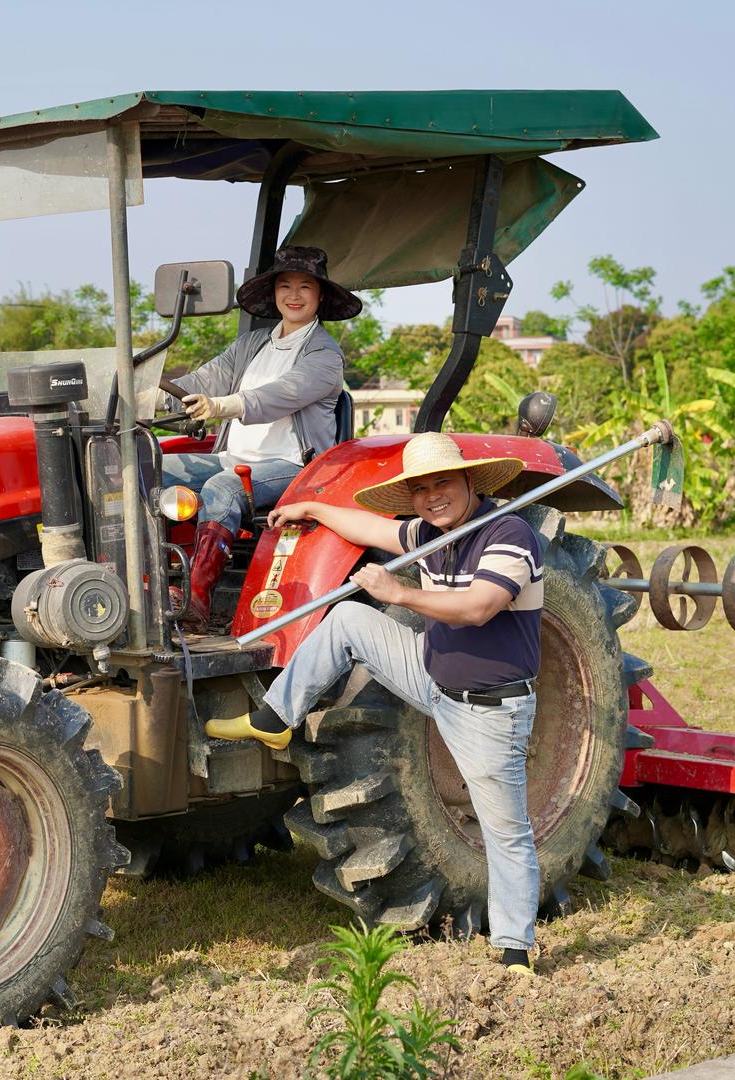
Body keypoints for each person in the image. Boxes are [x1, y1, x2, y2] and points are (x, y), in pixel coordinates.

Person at [206, 432, 544, 974]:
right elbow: (373, 529)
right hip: (431, 677)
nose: (432, 496)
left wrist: (399, 592)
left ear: (469, 481)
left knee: (504, 830)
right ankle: (275, 717)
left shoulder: (509, 533)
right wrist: (313, 508)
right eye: (420, 489)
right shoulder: (432, 530)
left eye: (442, 483)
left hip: (488, 708)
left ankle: (514, 949)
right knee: (347, 618)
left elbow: (480, 607)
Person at [161, 245, 361, 630]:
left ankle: (195, 597)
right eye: (285, 286)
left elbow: (280, 394)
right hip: (234, 457)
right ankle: (141, 581)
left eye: (305, 286)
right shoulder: (251, 345)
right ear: (274, 293)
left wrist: (223, 405)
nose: (294, 295)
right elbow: (204, 379)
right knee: (148, 467)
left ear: (321, 296)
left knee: (223, 487)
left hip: (294, 466)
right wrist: (147, 394)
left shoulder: (325, 356)